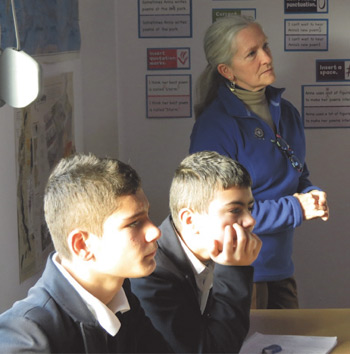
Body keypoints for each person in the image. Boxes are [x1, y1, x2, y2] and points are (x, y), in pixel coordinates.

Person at [189, 16, 329, 309]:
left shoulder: (287, 112)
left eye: (265, 46)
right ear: (227, 71)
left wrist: (309, 193)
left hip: (281, 269)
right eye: (252, 53)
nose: (266, 58)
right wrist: (296, 208)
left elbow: (297, 172)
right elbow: (219, 216)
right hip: (240, 276)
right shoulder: (214, 126)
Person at [0, 153, 173, 353]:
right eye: (134, 223)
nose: (155, 231)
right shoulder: (25, 338)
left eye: (147, 215)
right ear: (82, 245)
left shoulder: (121, 296)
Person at [131, 151, 262, 353]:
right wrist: (234, 271)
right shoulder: (152, 276)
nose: (250, 221)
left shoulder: (212, 252)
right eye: (235, 210)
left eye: (249, 208)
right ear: (190, 220)